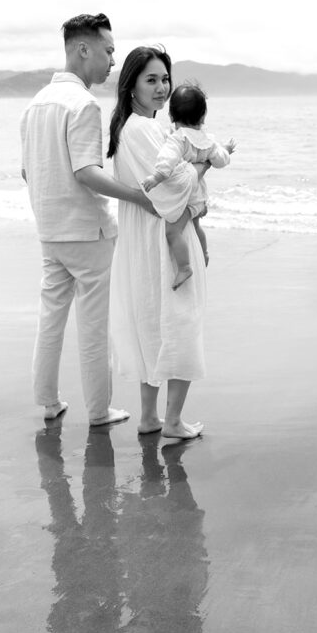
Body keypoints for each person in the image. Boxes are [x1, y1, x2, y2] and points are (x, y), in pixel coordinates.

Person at [20, 13, 153, 425]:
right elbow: (86, 172)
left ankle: (48, 401)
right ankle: (98, 411)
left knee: (51, 319)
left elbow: (29, 171)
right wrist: (138, 197)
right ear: (83, 49)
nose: (113, 61)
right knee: (94, 328)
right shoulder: (82, 104)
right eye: (108, 50)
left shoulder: (34, 104)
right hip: (89, 234)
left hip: (50, 231)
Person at [107, 47, 208, 440]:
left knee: (152, 324)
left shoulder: (137, 127)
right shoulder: (143, 129)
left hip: (146, 239)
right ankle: (173, 421)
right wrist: (203, 164)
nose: (162, 87)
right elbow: (176, 187)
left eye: (165, 79)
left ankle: (150, 417)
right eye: (151, 79)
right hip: (161, 239)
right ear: (131, 84)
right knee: (180, 322)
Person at [142, 84, 235, 289]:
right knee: (195, 225)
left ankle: (184, 267)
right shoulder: (208, 140)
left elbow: (167, 159)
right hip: (199, 196)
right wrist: (226, 150)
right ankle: (204, 254)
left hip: (187, 198)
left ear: (171, 115)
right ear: (202, 117)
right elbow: (219, 161)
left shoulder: (178, 138)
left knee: (172, 232)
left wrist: (156, 177)